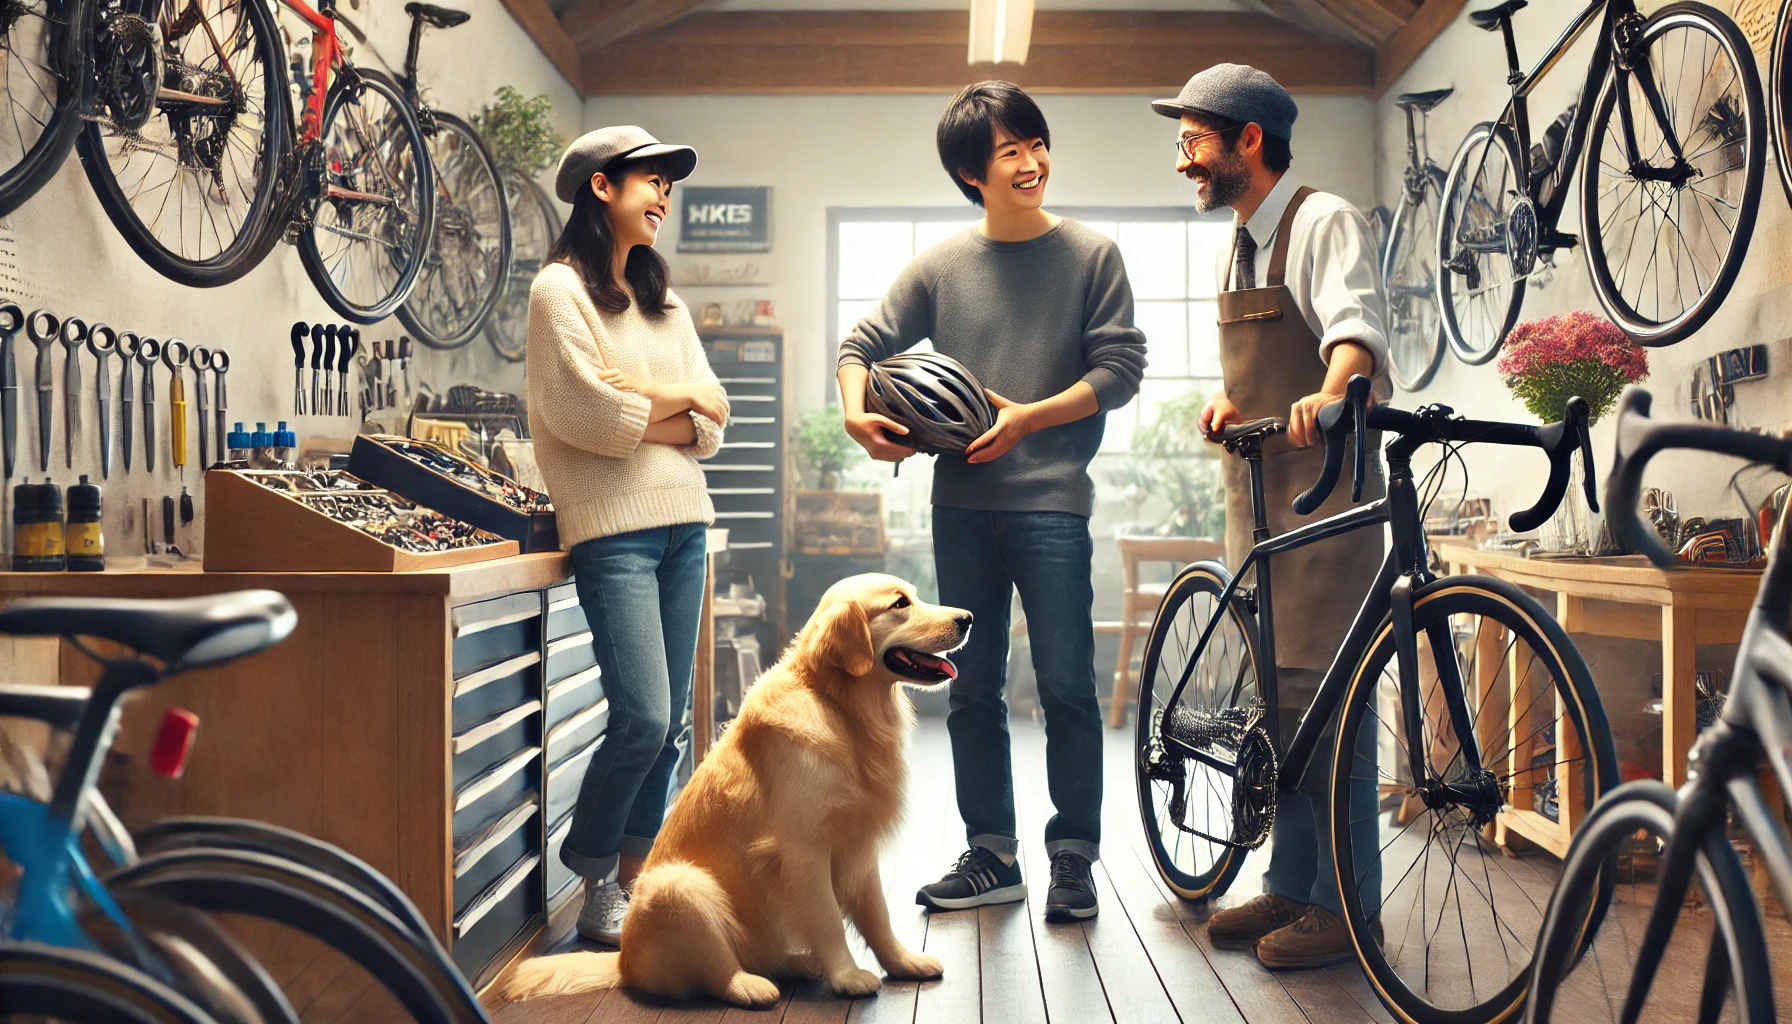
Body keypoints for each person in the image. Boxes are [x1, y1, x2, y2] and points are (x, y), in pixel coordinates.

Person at [838, 81, 1147, 922]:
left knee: (1066, 686)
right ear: (973, 173)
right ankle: (991, 855)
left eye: (1037, 143)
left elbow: (1120, 371)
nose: (1032, 161)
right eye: (1010, 151)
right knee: (970, 687)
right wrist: (856, 413)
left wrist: (1028, 420)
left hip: (1053, 503)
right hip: (961, 508)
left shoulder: (1091, 255)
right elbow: (861, 344)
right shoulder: (942, 267)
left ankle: (1074, 858)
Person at [1152, 64, 1386, 970]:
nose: (1185, 162)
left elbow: (1354, 334)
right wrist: (1224, 398)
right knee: (1281, 706)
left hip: (1328, 501)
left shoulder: (1321, 220)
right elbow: (1260, 360)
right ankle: (1292, 887)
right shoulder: (1240, 242)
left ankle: (1345, 908)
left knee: (1337, 705)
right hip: (1258, 504)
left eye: (1194, 142)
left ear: (1250, 139)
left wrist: (1330, 395)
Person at [527, 125, 729, 946]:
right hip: (614, 533)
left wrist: (653, 395)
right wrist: (676, 411)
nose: (665, 196)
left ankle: (639, 882)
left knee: (675, 722)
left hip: (687, 528)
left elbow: (717, 419)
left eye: (669, 184)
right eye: (652, 180)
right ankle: (594, 876)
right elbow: (586, 415)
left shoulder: (665, 302)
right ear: (601, 188)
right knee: (643, 717)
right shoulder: (557, 293)